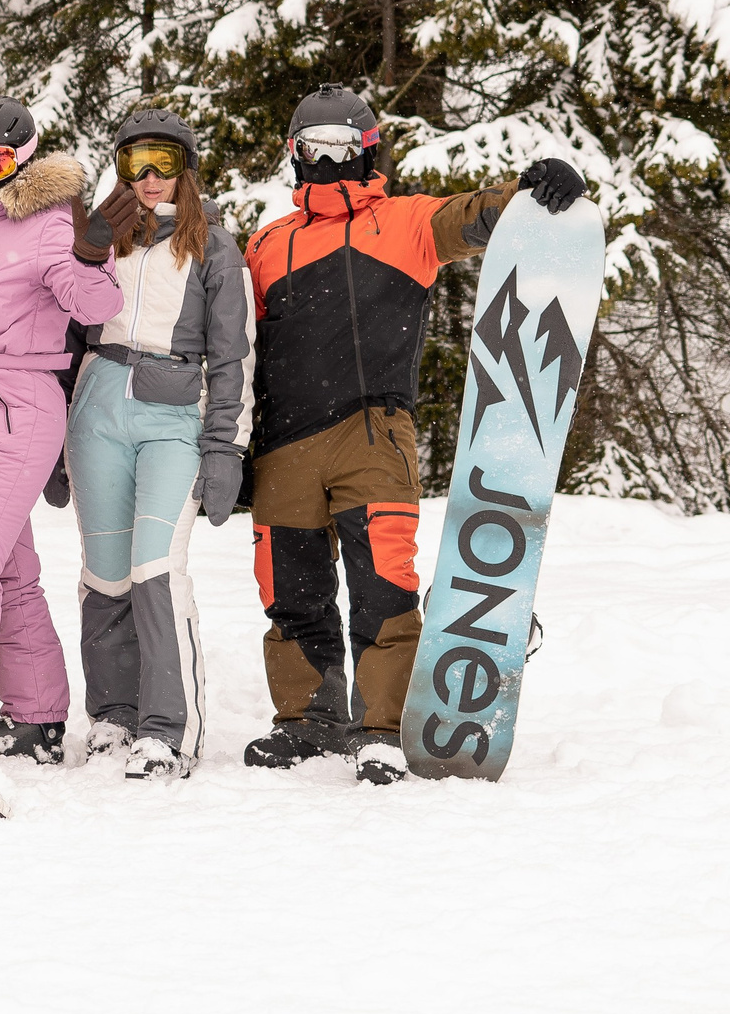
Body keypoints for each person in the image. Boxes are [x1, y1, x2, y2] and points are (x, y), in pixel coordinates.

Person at [242, 84, 584, 783]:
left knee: (383, 586)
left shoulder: (404, 223)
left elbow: (473, 217)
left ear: (368, 152)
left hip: (373, 435)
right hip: (282, 447)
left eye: (343, 148)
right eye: (314, 149)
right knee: (290, 592)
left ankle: (380, 727)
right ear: (294, 156)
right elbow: (229, 344)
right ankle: (308, 719)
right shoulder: (267, 244)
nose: (328, 162)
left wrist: (528, 194)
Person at [0, 97, 124, 764]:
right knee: (7, 569)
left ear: (24, 160)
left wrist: (93, 255)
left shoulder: (50, 220)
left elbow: (96, 305)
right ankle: (37, 716)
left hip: (16, 398)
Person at [63, 107, 252, 780]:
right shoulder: (102, 238)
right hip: (98, 406)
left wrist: (226, 446)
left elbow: (234, 356)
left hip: (174, 414)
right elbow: (65, 332)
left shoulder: (214, 248)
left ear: (186, 168)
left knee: (156, 567)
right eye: (134, 161)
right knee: (104, 573)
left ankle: (168, 728)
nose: (148, 177)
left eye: (163, 162)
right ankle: (113, 715)